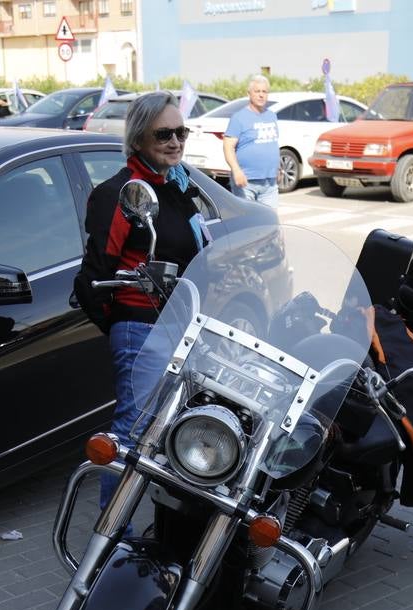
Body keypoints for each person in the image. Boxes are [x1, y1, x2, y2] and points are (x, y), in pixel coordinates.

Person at [72, 91, 210, 507]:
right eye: (163, 134)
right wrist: (123, 324)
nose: (175, 141)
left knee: (174, 429)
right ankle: (113, 535)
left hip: (180, 325)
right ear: (138, 139)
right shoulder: (125, 193)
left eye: (180, 132)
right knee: (132, 432)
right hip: (142, 327)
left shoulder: (178, 188)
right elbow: (94, 276)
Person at [223, 74, 280, 208]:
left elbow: (272, 143)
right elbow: (228, 147)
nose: (261, 95)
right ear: (249, 93)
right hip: (246, 182)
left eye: (264, 91)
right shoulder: (239, 118)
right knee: (249, 224)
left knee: (270, 223)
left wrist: (276, 168)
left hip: (269, 184)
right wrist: (236, 170)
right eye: (257, 91)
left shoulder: (272, 116)